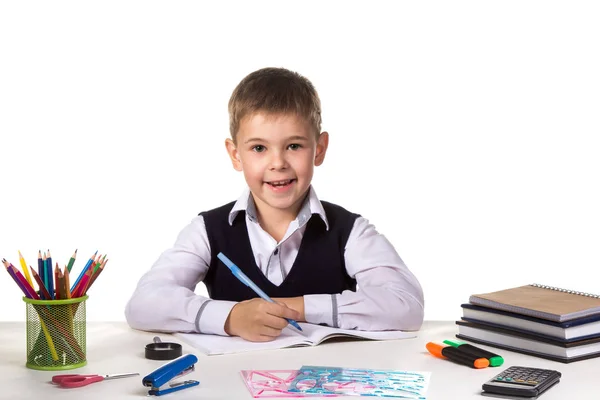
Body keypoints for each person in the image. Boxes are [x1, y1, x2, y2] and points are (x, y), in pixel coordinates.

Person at [125, 67, 424, 342]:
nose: (278, 163)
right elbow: (144, 303)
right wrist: (230, 317)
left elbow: (406, 305)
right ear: (235, 154)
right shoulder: (207, 230)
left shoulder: (351, 231)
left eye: (294, 146)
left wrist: (293, 308)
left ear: (319, 150)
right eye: (259, 148)